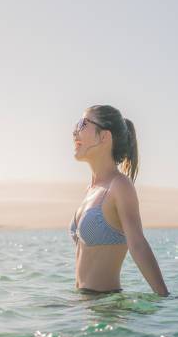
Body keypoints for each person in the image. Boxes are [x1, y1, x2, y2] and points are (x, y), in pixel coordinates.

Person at [69, 104, 169, 297]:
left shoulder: (119, 186)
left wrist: (165, 297)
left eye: (82, 124)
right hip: (84, 306)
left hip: (108, 309)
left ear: (105, 137)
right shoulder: (91, 189)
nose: (75, 131)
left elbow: (138, 244)